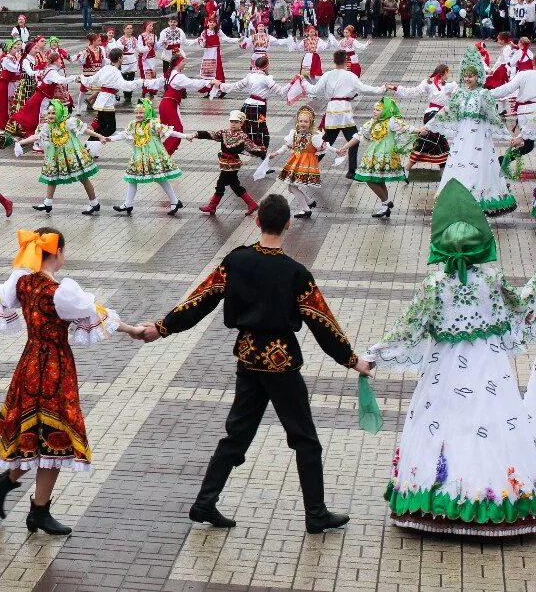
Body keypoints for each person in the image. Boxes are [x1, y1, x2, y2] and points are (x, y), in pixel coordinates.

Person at [141, 195, 371, 533]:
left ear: (256, 221)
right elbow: (322, 320)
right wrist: (352, 360)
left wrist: (162, 328)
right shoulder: (295, 273)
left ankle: (205, 502)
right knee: (305, 438)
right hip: (282, 363)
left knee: (237, 434)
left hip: (248, 357)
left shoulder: (236, 261)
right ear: (289, 224)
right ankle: (316, 514)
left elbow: (200, 299)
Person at [0, 229, 146, 535]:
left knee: (34, 430)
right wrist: (133, 330)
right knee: (54, 434)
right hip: (55, 367)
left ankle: (14, 489)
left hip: (29, 364)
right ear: (58, 253)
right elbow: (97, 315)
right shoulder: (64, 292)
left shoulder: (21, 283)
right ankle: (35, 509)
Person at [364, 179, 536, 536]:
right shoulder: (492, 280)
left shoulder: (434, 286)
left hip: (443, 370)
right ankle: (499, 500)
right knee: (493, 423)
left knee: (444, 423)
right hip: (490, 368)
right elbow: (519, 308)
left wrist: (372, 355)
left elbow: (409, 330)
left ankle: (437, 503)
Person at [410, 49, 518, 215]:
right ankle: (459, 196)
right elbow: (446, 111)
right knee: (461, 160)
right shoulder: (459, 93)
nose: (468, 79)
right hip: (463, 134)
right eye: (466, 76)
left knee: (479, 162)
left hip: (480, 136)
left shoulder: (484, 94)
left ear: (478, 77)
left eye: (472, 76)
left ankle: (479, 197)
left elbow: (494, 117)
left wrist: (507, 136)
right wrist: (429, 126)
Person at [301, 50, 389, 179]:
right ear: (345, 61)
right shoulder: (350, 75)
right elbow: (364, 88)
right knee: (354, 140)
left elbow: (314, 89)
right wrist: (381, 89)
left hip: (332, 111)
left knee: (326, 142)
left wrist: (303, 81)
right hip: (345, 112)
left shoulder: (328, 75)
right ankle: (351, 171)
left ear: (334, 61)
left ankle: (309, 167)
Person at [17, 101, 108, 216]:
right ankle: (47, 203)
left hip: (72, 155)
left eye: (53, 113)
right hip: (56, 156)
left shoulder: (68, 122)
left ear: (59, 112)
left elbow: (84, 130)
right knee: (52, 177)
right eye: (49, 113)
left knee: (83, 178)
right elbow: (36, 136)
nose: (50, 115)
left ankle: (94, 203)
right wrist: (20, 143)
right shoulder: (47, 126)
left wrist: (100, 136)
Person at [332, 97, 418, 218]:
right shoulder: (372, 122)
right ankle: (385, 206)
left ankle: (386, 203)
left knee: (370, 179)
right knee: (377, 180)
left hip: (385, 155)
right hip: (373, 154)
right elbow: (359, 135)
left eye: (378, 110)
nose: (374, 112)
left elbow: (406, 128)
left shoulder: (391, 121)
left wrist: (419, 130)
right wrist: (345, 147)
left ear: (386, 111)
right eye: (374, 109)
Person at [110, 98, 186, 216]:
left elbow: (170, 132)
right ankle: (128, 204)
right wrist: (109, 139)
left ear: (148, 111)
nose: (138, 115)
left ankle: (175, 201)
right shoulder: (133, 124)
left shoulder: (153, 123)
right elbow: (124, 135)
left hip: (153, 156)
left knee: (161, 178)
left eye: (141, 112)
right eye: (137, 112)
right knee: (133, 178)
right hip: (138, 157)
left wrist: (185, 136)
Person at [189, 110, 264, 215]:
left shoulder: (243, 137)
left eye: (236, 122)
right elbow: (211, 134)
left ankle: (212, 206)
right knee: (235, 185)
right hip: (224, 163)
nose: (233, 124)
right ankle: (252, 204)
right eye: (232, 122)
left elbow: (253, 148)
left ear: (241, 123)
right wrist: (196, 134)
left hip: (232, 165)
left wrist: (265, 154)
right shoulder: (224, 132)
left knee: (220, 184)